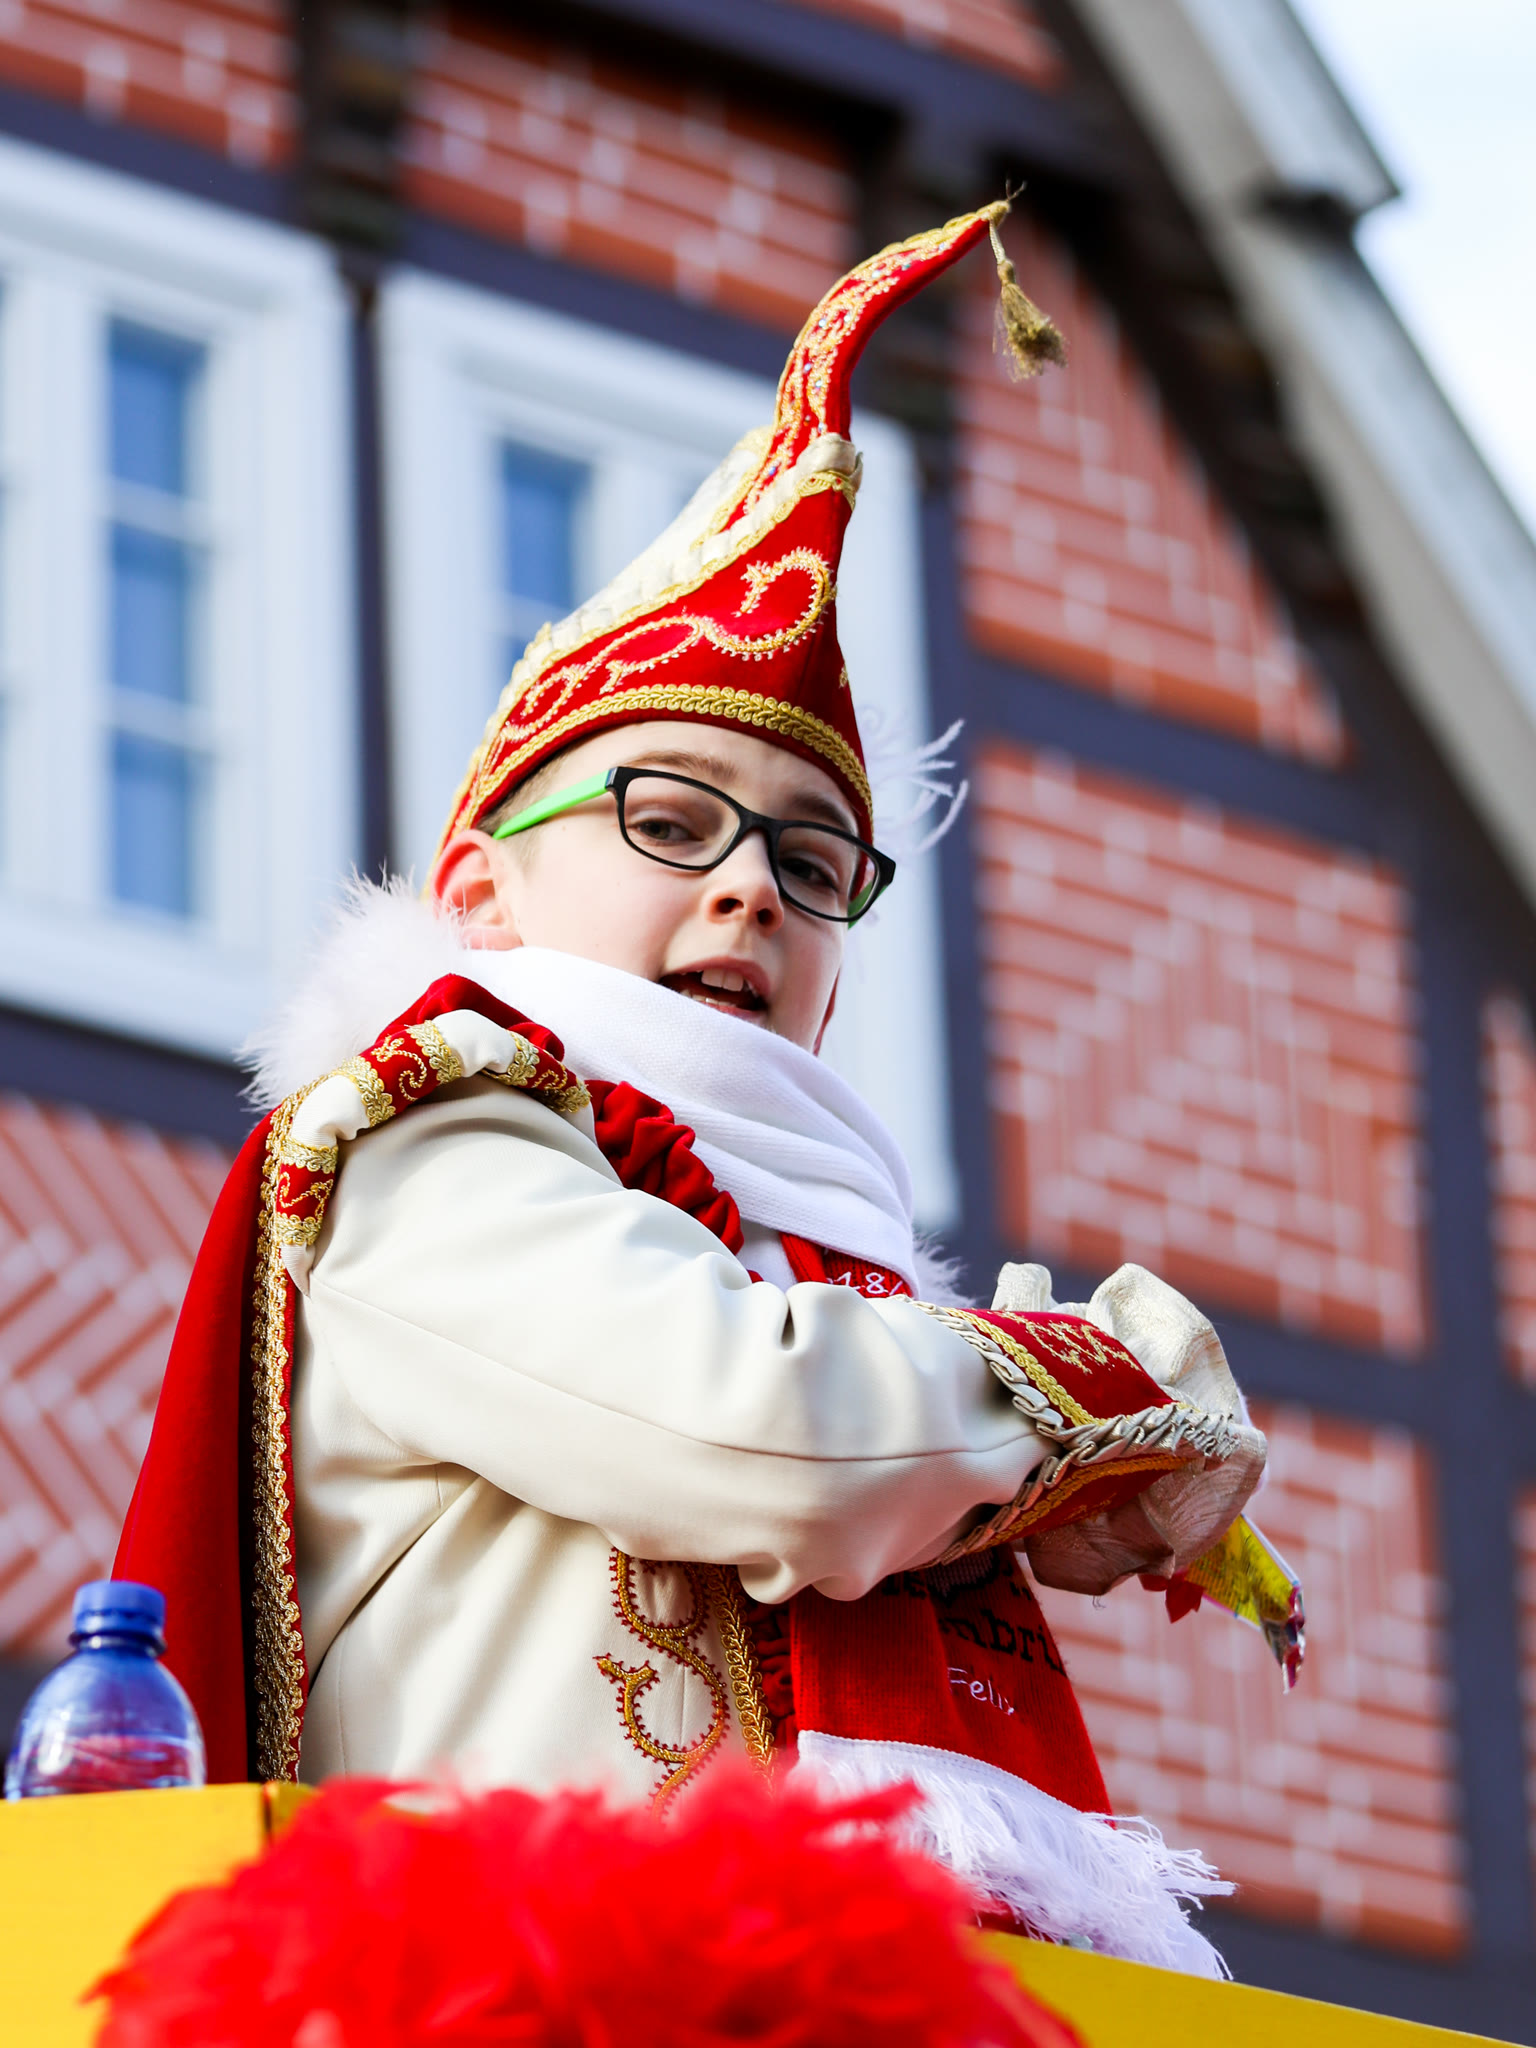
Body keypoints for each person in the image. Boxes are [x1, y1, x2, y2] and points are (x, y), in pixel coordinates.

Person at [116, 202, 1268, 1976]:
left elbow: (847, 1434)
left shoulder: (837, 1270)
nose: (750, 891)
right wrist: (1094, 1387)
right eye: (669, 823)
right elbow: (760, 1431)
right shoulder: (429, 1133)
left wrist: (1037, 1466)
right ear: (482, 896)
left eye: (813, 865)